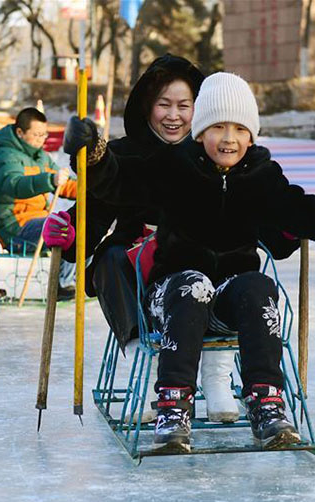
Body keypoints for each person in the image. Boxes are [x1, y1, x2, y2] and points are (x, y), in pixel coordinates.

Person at [61, 72, 315, 452]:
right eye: (217, 127)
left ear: (252, 136)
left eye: (239, 129)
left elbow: (304, 214)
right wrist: (94, 155)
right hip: (171, 295)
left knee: (258, 285)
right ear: (199, 133)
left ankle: (266, 402)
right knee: (193, 285)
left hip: (229, 299)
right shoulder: (173, 166)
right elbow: (122, 181)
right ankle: (173, 405)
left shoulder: (262, 175)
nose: (229, 138)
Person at [44, 54, 297, 424]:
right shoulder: (125, 154)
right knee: (111, 259)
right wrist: (69, 231)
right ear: (147, 106)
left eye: (185, 105)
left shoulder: (219, 158)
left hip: (205, 268)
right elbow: (95, 211)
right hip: (142, 267)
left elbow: (266, 223)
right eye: (164, 105)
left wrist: (292, 223)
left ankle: (217, 377)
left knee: (230, 267)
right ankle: (147, 368)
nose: (174, 116)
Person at [0, 107, 77, 298]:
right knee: (65, 228)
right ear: (20, 132)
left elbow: (65, 184)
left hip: (40, 221)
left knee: (82, 224)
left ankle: (78, 279)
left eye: (44, 134)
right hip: (16, 228)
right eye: (36, 135)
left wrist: (90, 189)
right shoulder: (5, 156)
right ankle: (63, 284)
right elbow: (15, 184)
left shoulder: (41, 157)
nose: (41, 139)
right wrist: (49, 180)